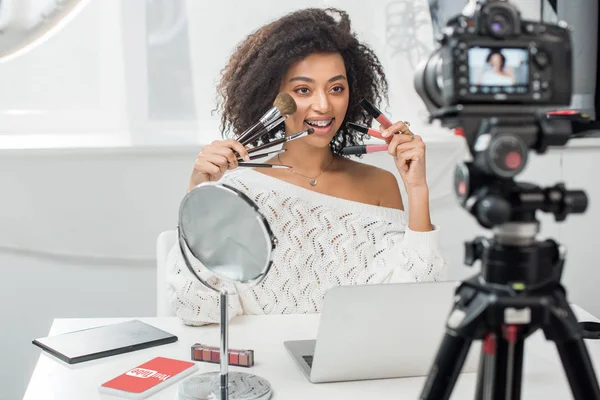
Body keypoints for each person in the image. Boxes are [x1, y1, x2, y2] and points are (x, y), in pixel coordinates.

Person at [166, 7, 447, 326]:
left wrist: (417, 190)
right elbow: (197, 308)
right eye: (303, 90)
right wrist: (197, 191)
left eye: (336, 88)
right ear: (271, 96)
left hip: (353, 368)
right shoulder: (235, 189)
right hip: (261, 368)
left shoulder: (380, 185)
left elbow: (411, 307)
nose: (324, 105)